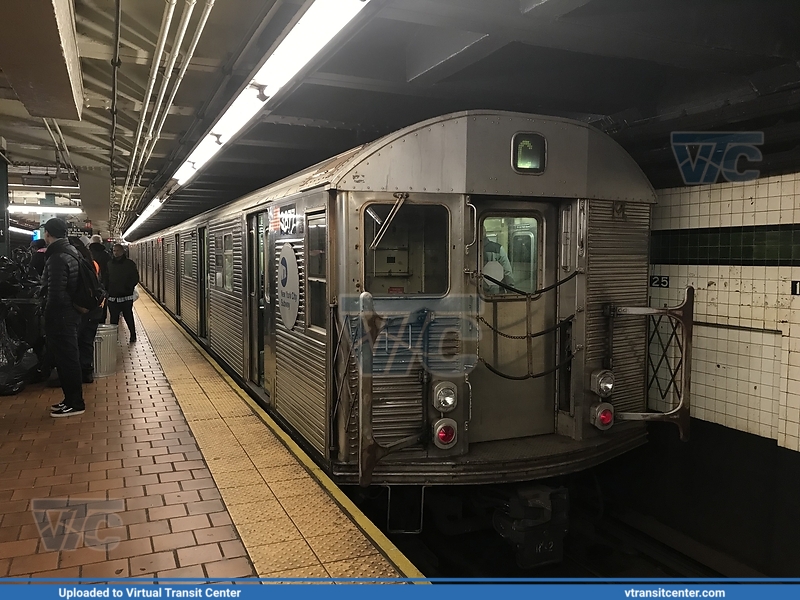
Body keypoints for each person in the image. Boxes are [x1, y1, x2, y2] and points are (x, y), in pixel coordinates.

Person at [41, 218, 85, 417]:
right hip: (70, 314)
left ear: (48, 233)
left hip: (62, 316)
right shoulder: (71, 251)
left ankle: (75, 403)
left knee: (67, 359)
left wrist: (47, 317)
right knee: (68, 358)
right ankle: (70, 399)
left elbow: (56, 293)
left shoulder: (58, 256)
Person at [107, 243, 139, 343]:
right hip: (112, 297)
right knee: (113, 319)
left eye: (117, 251)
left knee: (128, 317)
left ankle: (133, 335)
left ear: (122, 251)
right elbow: (105, 278)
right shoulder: (109, 264)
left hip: (126, 297)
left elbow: (135, 278)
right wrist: (107, 289)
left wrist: (128, 288)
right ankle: (113, 337)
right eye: (114, 251)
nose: (115, 253)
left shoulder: (130, 264)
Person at [88, 234, 111, 321]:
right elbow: (109, 272)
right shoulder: (106, 255)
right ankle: (102, 322)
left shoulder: (87, 253)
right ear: (101, 242)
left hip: (90, 286)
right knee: (102, 307)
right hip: (103, 286)